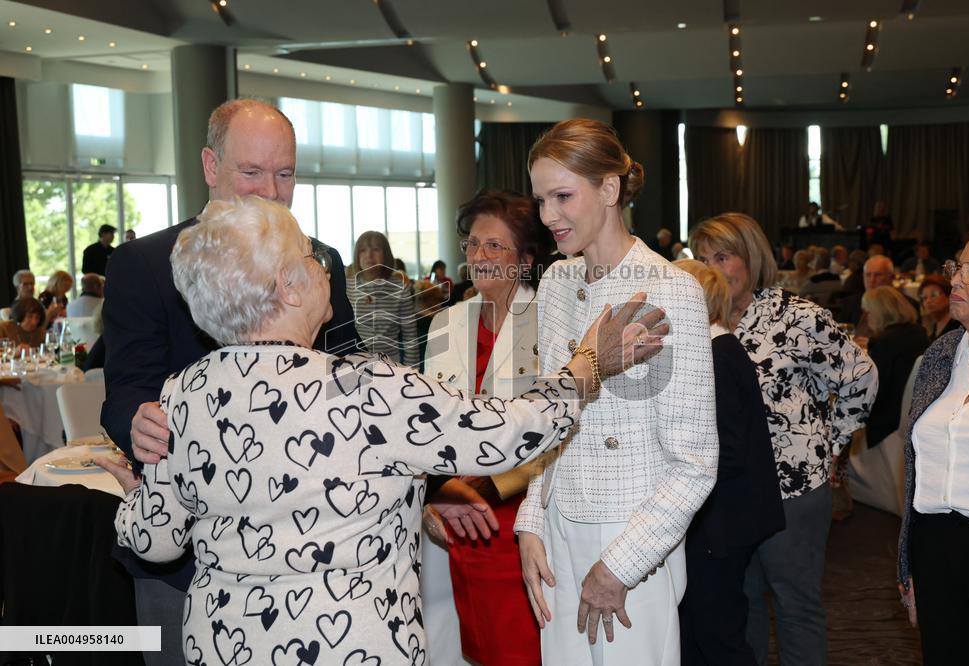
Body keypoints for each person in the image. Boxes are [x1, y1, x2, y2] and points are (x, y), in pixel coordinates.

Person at [96, 195, 667, 666]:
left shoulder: (183, 395)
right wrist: (586, 367)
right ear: (289, 288)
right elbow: (504, 435)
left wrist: (136, 491)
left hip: (225, 647)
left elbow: (155, 539)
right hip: (352, 646)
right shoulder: (369, 389)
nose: (325, 268)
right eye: (310, 257)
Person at [99, 98, 363, 666]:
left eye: (285, 173)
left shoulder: (321, 262)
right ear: (211, 167)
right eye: (252, 172)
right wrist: (138, 422)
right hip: (189, 550)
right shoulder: (145, 265)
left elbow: (352, 376)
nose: (270, 191)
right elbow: (124, 389)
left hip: (310, 546)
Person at [516, 119, 719, 665]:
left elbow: (696, 461)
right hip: (559, 525)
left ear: (609, 189)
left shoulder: (673, 289)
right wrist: (531, 522)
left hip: (632, 537)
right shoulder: (556, 283)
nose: (547, 216)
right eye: (541, 200)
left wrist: (622, 565)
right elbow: (551, 415)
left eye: (562, 196)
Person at [690, 212, 877, 666]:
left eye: (723, 256)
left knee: (795, 605)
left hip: (791, 488)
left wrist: (831, 443)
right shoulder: (695, 320)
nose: (712, 269)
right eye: (701, 258)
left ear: (751, 258)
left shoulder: (796, 317)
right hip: (725, 491)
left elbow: (860, 377)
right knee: (742, 604)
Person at [420, 190, 555, 666]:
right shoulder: (445, 323)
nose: (480, 257)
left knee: (519, 648)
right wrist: (440, 490)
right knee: (465, 642)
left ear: (525, 258)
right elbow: (426, 424)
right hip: (453, 513)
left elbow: (557, 432)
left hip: (520, 516)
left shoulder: (551, 323)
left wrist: (484, 487)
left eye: (495, 246)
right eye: (473, 245)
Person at [897, 216, 969, 664]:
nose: (955, 278)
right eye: (957, 266)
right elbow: (918, 470)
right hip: (935, 547)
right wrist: (911, 564)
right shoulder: (941, 354)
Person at [673, 259, 784, 666]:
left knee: (716, 634)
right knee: (704, 631)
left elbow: (726, 449)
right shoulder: (717, 346)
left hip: (720, 522)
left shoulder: (716, 354)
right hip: (720, 519)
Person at [861, 286, 929, 447]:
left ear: (879, 313)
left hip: (886, 425)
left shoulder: (884, 342)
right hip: (914, 415)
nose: (866, 317)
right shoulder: (919, 333)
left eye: (867, 312)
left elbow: (873, 392)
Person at [346, 231, 418, 366]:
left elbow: (410, 336)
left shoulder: (400, 288)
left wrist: (412, 373)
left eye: (376, 249)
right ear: (357, 255)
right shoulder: (347, 286)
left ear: (386, 255)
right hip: (353, 365)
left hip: (390, 366)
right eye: (363, 250)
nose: (369, 255)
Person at [918, 274, 961, 342]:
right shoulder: (934, 324)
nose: (928, 301)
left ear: (949, 295)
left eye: (934, 295)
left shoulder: (958, 325)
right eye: (924, 298)